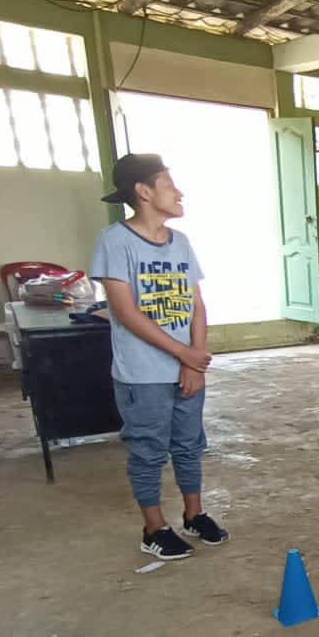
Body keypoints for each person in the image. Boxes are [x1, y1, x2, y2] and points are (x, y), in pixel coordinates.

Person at [89, 153, 227, 561]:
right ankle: (154, 528)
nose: (179, 192)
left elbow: (197, 305)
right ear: (144, 192)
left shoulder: (180, 242)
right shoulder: (114, 242)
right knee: (148, 449)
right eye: (169, 184)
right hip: (142, 374)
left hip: (186, 368)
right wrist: (185, 354)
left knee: (189, 444)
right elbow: (125, 312)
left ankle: (194, 514)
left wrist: (192, 360)